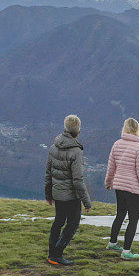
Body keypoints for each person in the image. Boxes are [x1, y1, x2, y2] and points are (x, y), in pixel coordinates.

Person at [45, 114, 92, 266]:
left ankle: (52, 252)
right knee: (73, 223)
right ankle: (57, 254)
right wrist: (87, 202)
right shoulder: (76, 151)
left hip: (57, 192)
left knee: (59, 221)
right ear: (78, 130)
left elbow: (48, 172)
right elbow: (77, 180)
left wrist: (48, 193)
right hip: (71, 196)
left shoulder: (54, 146)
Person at [104, 117, 139, 260]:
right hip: (132, 188)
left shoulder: (117, 144)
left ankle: (112, 242)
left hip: (119, 186)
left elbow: (111, 166)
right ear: (137, 130)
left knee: (120, 214)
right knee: (133, 219)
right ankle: (126, 251)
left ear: (124, 129)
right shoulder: (138, 148)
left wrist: (108, 182)